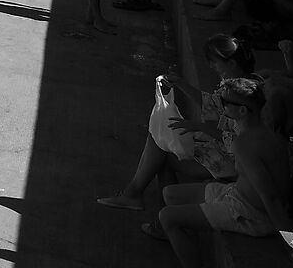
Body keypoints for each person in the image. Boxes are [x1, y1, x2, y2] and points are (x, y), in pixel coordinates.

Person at [157, 88, 293, 268]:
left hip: (250, 213)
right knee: (170, 194)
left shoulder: (247, 143)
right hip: (236, 194)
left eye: (225, 103)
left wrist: (292, 243)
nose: (221, 105)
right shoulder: (259, 131)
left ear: (242, 110)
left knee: (168, 217)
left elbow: (271, 197)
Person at [100, 32, 257, 210]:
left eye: (214, 62)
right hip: (221, 149)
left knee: (163, 155)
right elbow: (213, 104)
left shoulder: (245, 95)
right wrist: (181, 84)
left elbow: (240, 142)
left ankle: (151, 206)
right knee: (160, 139)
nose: (212, 66)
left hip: (234, 163)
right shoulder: (237, 85)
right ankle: (139, 198)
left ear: (232, 64)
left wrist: (199, 127)